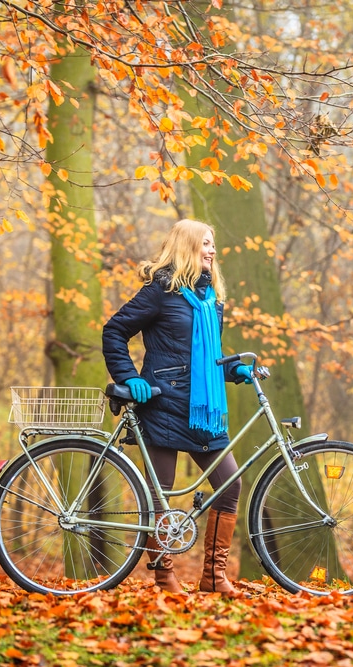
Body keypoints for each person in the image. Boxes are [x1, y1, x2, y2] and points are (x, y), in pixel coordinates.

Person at [102, 219, 253, 596]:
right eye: (205, 243)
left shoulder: (210, 301)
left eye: (213, 243)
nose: (212, 250)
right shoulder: (160, 291)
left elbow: (209, 356)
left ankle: (213, 577)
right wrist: (129, 375)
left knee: (229, 484)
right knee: (160, 494)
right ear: (187, 245)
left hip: (204, 410)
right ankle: (164, 576)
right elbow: (114, 330)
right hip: (163, 403)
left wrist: (237, 369)